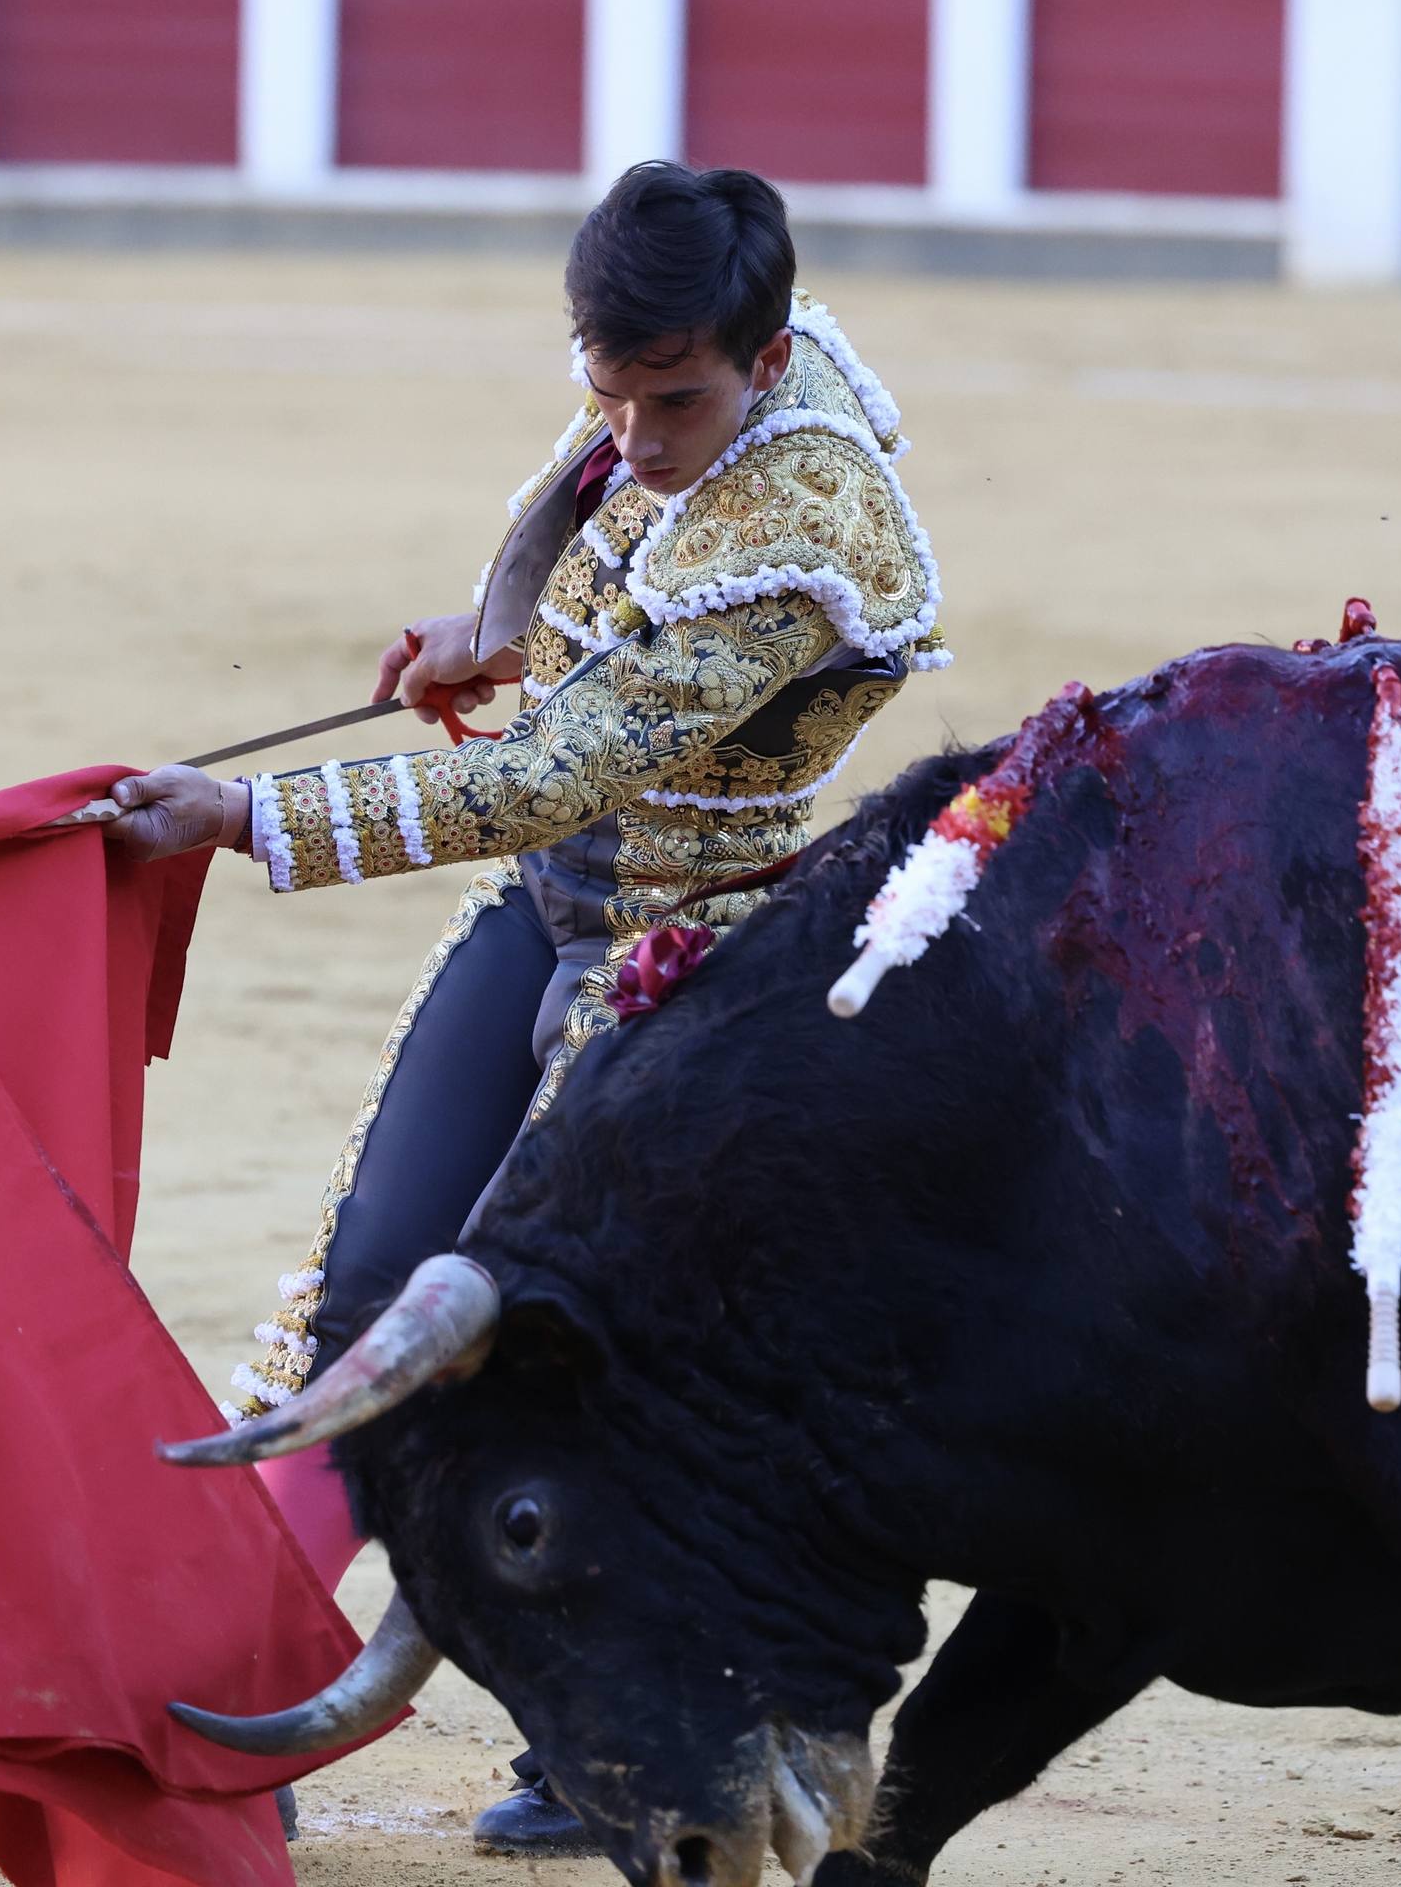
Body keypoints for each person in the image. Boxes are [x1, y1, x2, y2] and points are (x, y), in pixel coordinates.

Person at [103, 160, 948, 1853]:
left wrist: (249, 816)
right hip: (555, 912)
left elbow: (550, 780)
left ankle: (620, 1736)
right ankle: (219, 1655)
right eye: (610, 387)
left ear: (764, 366)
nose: (634, 431)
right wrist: (488, 628)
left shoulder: (802, 531)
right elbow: (579, 513)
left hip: (686, 954)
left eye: (674, 399)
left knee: (556, 1359)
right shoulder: (674, 388)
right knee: (367, 1280)